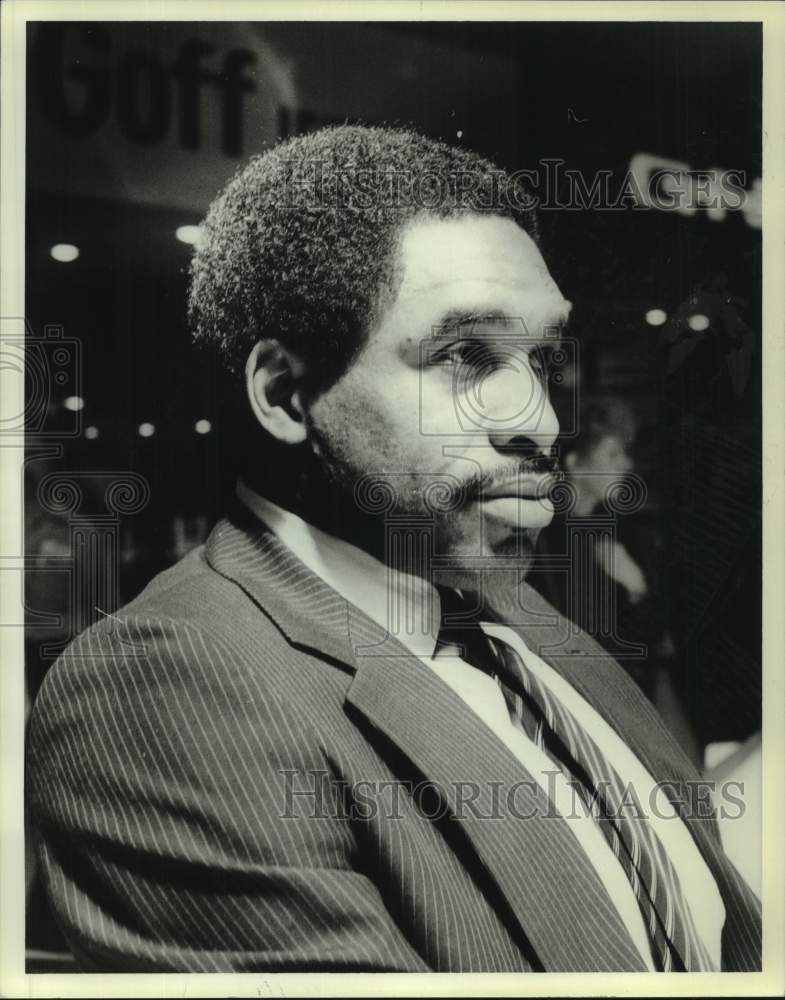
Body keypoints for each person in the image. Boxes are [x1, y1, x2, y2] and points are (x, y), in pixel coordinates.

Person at [26, 126, 760, 973]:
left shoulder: (509, 611)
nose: (543, 423)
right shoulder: (164, 688)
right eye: (464, 355)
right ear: (283, 393)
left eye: (545, 357)